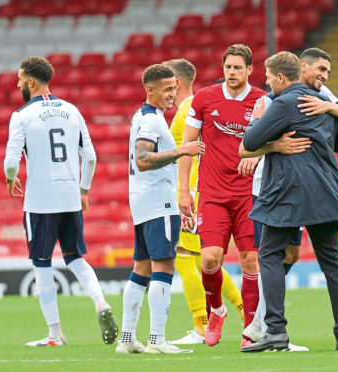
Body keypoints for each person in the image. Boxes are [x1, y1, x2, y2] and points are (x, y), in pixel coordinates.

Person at [243, 47, 338, 350]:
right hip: (325, 192)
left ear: (281, 77)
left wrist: (259, 120)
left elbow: (250, 142)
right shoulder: (323, 103)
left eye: (269, 79)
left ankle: (276, 332)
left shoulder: (281, 104)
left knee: (269, 255)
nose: (268, 84)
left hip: (287, 193)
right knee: (332, 262)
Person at [3, 56, 118, 347]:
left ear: (30, 82)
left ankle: (56, 334)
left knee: (42, 264)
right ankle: (101, 302)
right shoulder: (72, 110)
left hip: (40, 201)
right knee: (76, 258)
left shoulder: (22, 115)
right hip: (70, 197)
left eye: (19, 80)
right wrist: (84, 190)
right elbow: (90, 156)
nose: (17, 84)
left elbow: (10, 160)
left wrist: (10, 178)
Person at [178, 44, 265, 347]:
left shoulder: (261, 101)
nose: (231, 72)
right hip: (212, 193)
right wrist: (184, 190)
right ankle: (216, 310)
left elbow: (275, 142)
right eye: (228, 67)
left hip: (248, 194)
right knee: (210, 258)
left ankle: (251, 332)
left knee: (250, 260)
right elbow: (188, 146)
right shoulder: (204, 99)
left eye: (238, 68)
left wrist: (258, 156)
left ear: (249, 70)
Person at [115, 64, 205, 354]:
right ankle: (158, 340)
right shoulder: (153, 121)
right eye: (166, 89)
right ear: (149, 89)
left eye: (174, 88)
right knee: (164, 267)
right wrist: (183, 150)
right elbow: (143, 159)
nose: (171, 94)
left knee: (140, 269)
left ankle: (127, 339)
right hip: (158, 202)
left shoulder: (141, 116)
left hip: (141, 201)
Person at [163, 58, 246, 345]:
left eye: (167, 82)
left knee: (186, 259)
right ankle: (242, 311)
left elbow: (188, 152)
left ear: (178, 83)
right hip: (201, 189)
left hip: (198, 190)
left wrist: (185, 191)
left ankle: (201, 325)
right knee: (205, 260)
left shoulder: (189, 107)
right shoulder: (194, 106)